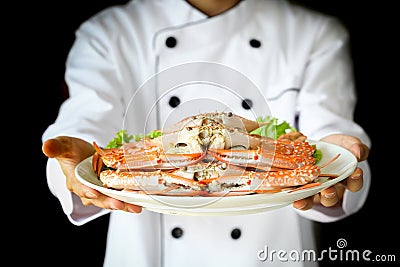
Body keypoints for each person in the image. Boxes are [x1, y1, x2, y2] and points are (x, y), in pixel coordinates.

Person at [42, 0, 371, 266]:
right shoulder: (108, 32)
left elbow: (326, 136)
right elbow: (86, 122)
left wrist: (336, 165)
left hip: (270, 252)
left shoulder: (313, 33)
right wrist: (79, 161)